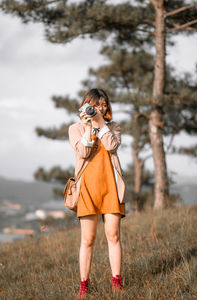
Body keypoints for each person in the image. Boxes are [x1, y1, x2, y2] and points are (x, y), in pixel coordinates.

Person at [68, 88, 126, 298]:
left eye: (103, 104)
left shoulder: (113, 127)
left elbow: (112, 146)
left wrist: (100, 124)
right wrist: (88, 128)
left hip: (110, 186)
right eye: (95, 105)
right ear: (86, 105)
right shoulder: (75, 128)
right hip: (88, 188)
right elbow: (82, 152)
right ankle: (84, 285)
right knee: (88, 239)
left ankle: (117, 284)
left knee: (113, 236)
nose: (100, 108)